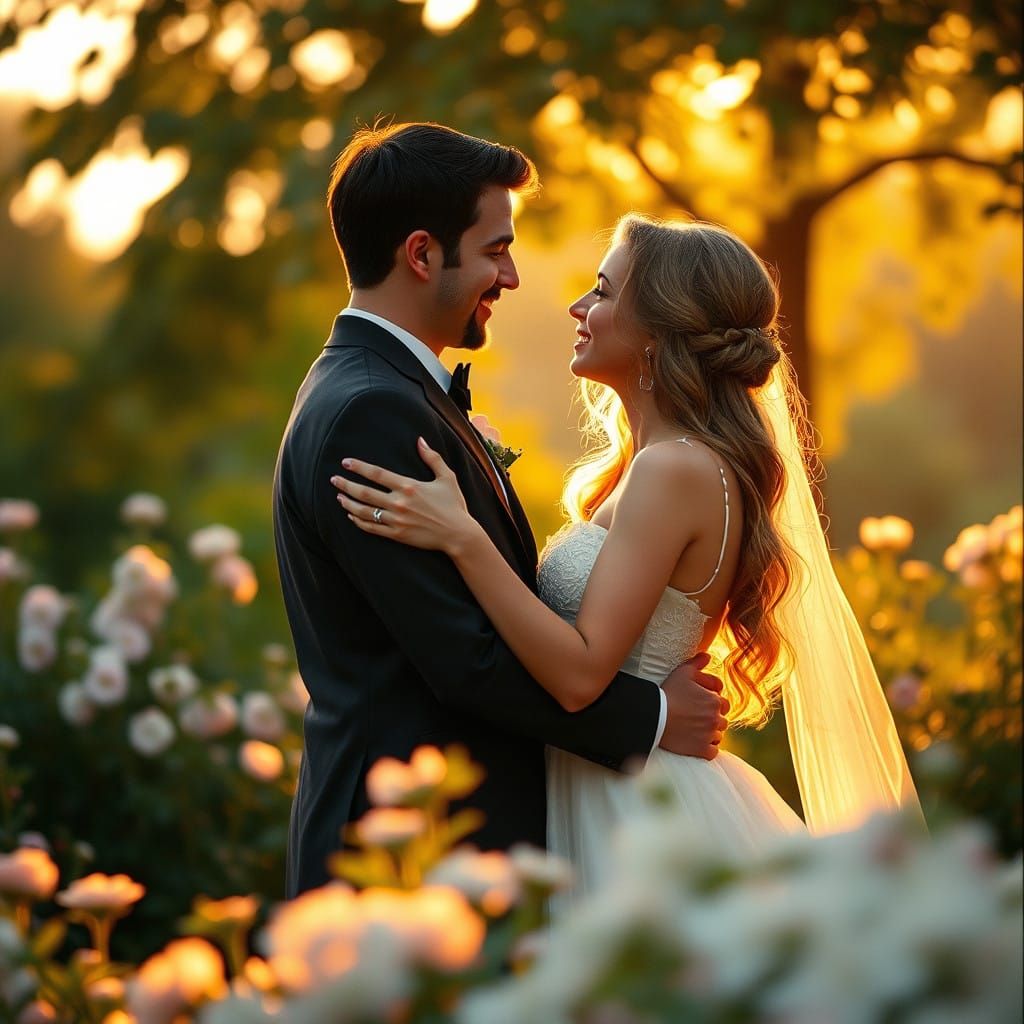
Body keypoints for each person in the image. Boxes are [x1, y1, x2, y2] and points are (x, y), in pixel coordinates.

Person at [332, 213, 922, 900]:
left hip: (633, 804)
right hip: (610, 777)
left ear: (658, 329)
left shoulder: (673, 470)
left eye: (604, 292)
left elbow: (581, 673)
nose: (578, 307)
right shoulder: (659, 464)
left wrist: (463, 537)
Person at [273, 123, 727, 897]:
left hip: (451, 843)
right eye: (495, 250)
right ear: (422, 255)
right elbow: (465, 659)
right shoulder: (372, 411)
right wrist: (649, 717)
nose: (511, 277)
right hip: (406, 857)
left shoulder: (384, 391)